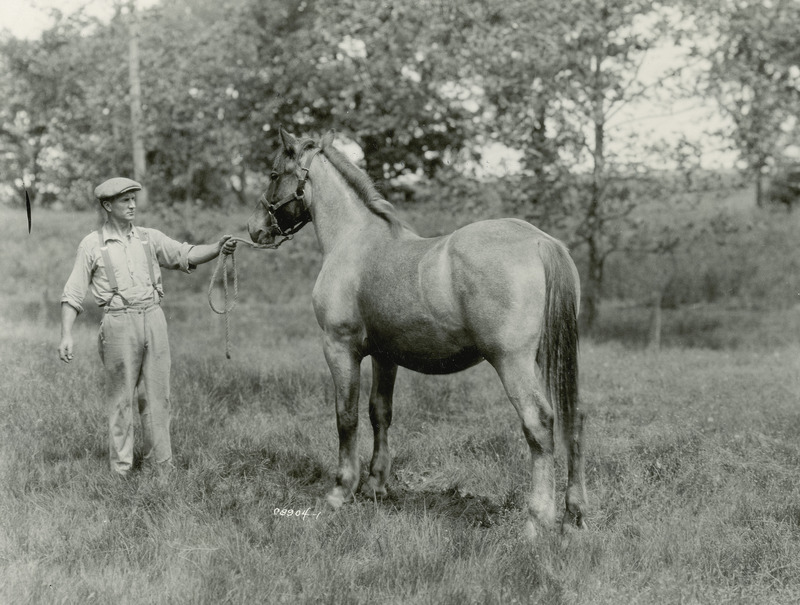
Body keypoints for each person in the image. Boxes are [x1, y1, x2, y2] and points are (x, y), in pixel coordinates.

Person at [58, 177, 237, 478]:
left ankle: (161, 468)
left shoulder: (148, 237)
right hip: (118, 323)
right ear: (107, 205)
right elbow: (73, 293)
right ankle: (121, 470)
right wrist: (66, 334)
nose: (132, 205)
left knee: (158, 397)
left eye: (133, 199)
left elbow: (185, 254)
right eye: (124, 200)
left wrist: (218, 247)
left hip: (154, 319)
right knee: (121, 399)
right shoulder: (92, 244)